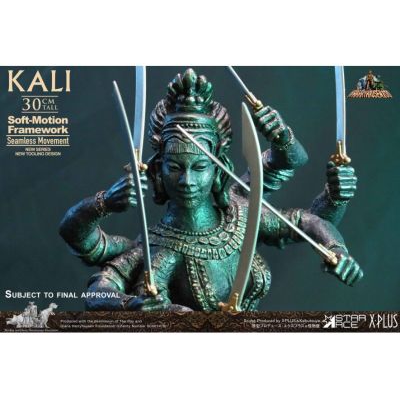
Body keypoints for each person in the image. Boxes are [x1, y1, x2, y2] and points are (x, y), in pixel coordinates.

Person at [59, 68, 362, 311]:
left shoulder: (241, 213)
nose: (187, 180)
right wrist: (104, 203)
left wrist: (336, 245)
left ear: (219, 168)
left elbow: (307, 222)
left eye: (200, 166)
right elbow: (95, 278)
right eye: (175, 167)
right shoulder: (154, 249)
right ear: (157, 170)